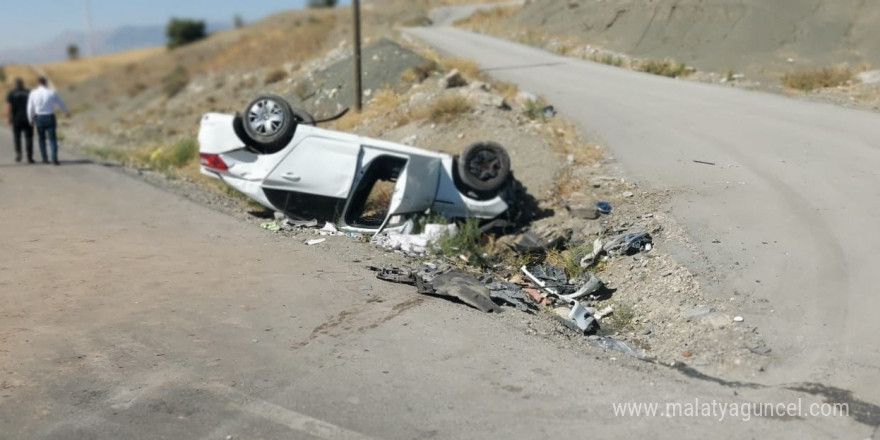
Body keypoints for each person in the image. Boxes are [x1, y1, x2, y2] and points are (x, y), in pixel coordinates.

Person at [27, 77, 69, 165]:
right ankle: (54, 158)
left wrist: (30, 118)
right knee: (52, 138)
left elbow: (30, 107)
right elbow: (61, 103)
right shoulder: (51, 92)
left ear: (37, 83)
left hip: (39, 117)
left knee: (41, 138)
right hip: (50, 116)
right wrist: (66, 111)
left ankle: (45, 158)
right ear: (45, 83)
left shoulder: (34, 93)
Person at [5, 78, 34, 163]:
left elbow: (8, 105)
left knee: (17, 137)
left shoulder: (12, 93)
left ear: (15, 84)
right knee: (29, 138)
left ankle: (18, 154)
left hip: (16, 119)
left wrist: (8, 117)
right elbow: (33, 104)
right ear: (22, 84)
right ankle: (29, 156)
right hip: (28, 118)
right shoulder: (29, 92)